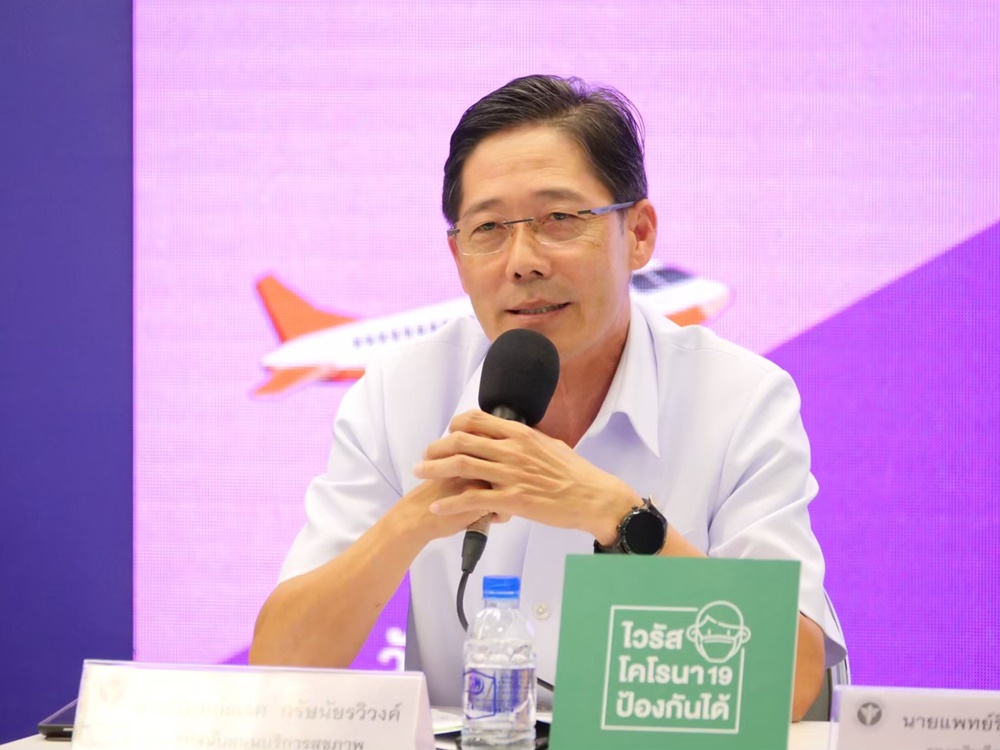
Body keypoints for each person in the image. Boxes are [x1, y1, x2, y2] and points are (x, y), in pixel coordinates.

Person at [249, 74, 847, 721]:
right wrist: (415, 519)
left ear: (639, 233)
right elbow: (282, 668)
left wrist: (616, 515)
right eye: (488, 228)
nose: (522, 261)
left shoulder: (741, 400)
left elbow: (794, 683)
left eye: (559, 219)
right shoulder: (397, 395)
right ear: (457, 255)